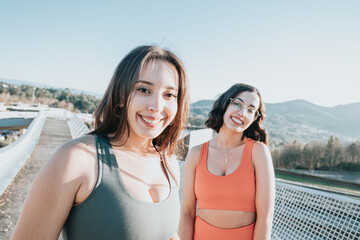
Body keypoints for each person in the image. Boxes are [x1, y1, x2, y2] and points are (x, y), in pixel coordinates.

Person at [11, 45, 189, 240]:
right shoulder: (77, 159)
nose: (156, 106)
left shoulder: (169, 163)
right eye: (144, 90)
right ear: (121, 95)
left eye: (169, 95)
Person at [179, 83, 275, 240]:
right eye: (237, 103)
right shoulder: (196, 154)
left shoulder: (258, 152)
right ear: (224, 104)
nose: (242, 113)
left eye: (251, 110)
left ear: (254, 118)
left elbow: (266, 217)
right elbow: (187, 213)